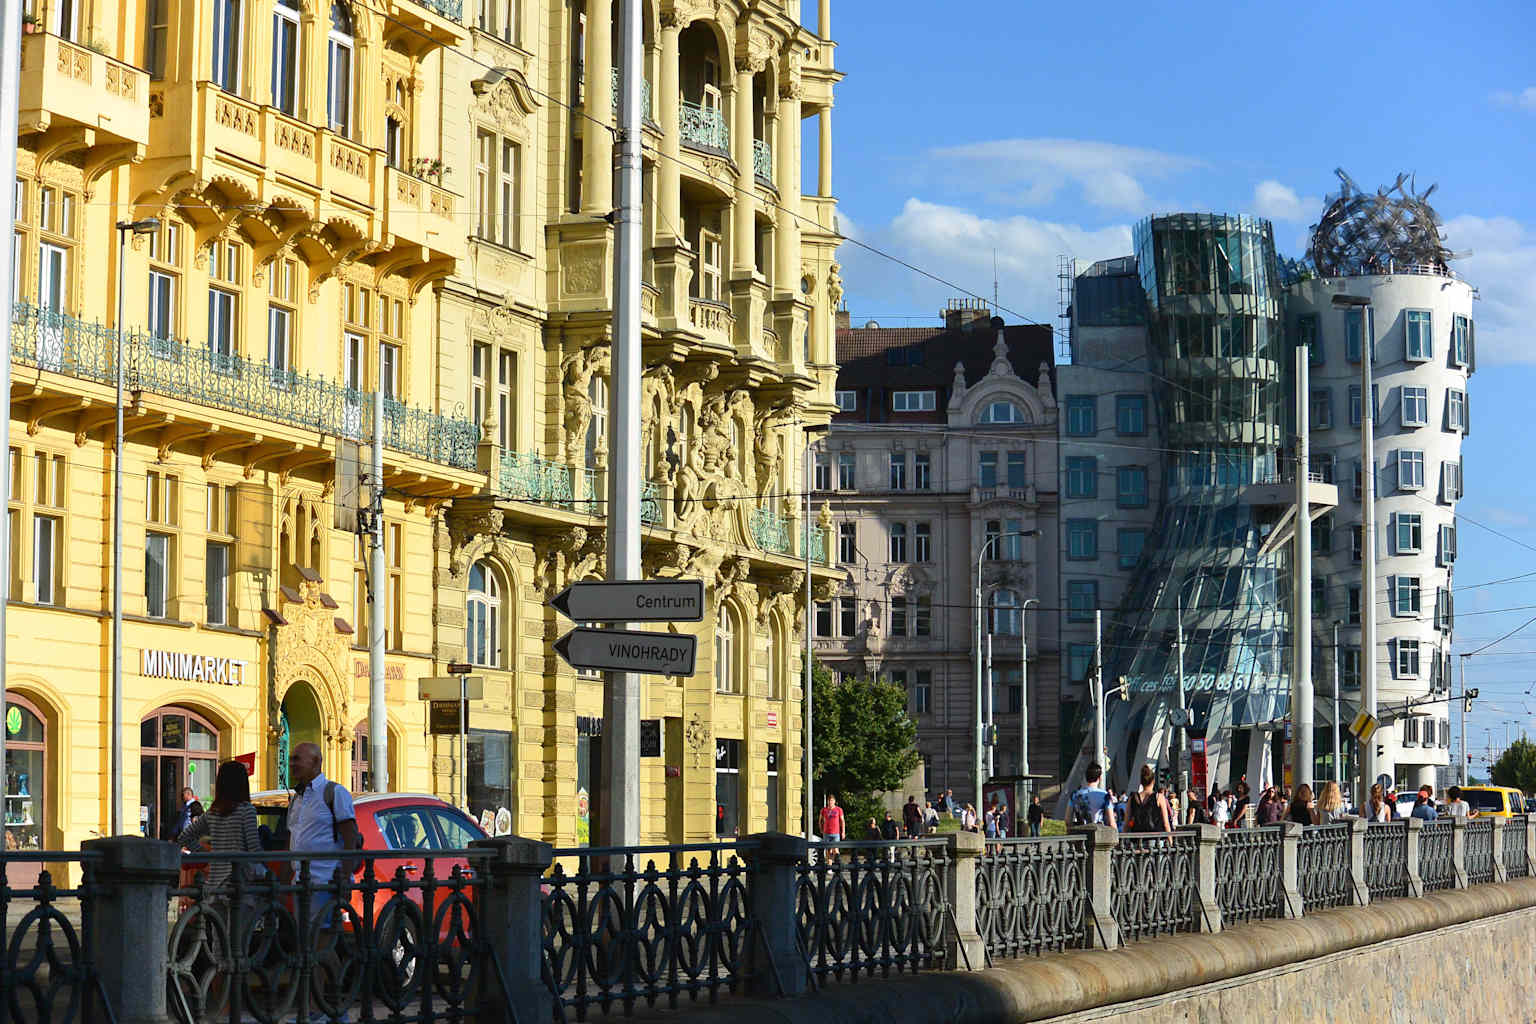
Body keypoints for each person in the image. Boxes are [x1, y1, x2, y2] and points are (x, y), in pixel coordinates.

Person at [286, 741, 360, 922]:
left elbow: (350, 838)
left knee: (322, 939)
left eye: (297, 759)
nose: (292, 764)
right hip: (300, 883)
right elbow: (292, 840)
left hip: (325, 883)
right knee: (308, 942)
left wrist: (344, 878)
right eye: (291, 759)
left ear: (315, 762)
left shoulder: (334, 792)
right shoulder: (297, 799)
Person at [177, 761, 264, 891]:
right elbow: (254, 850)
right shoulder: (247, 810)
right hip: (240, 884)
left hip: (215, 886)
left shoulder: (213, 812)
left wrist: (205, 854)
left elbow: (184, 837)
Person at [1124, 765, 1173, 833]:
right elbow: (1166, 824)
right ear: (1153, 781)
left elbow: (1126, 823)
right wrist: (1171, 841)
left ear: (1141, 782)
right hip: (1155, 838)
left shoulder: (1132, 797)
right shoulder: (1159, 797)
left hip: (1137, 837)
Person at [1068, 763, 1118, 830]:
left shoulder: (1075, 795)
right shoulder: (1105, 796)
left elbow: (1067, 820)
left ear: (1086, 777)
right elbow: (1111, 822)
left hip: (1081, 834)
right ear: (1099, 778)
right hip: (1099, 834)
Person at [817, 794, 845, 859]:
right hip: (826, 833)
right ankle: (829, 866)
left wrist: (843, 832)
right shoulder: (824, 810)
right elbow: (820, 820)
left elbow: (842, 821)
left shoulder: (839, 809)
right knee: (828, 850)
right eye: (829, 800)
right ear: (827, 801)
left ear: (834, 801)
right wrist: (821, 828)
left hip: (836, 833)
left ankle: (837, 864)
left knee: (836, 849)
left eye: (832, 800)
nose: (830, 802)